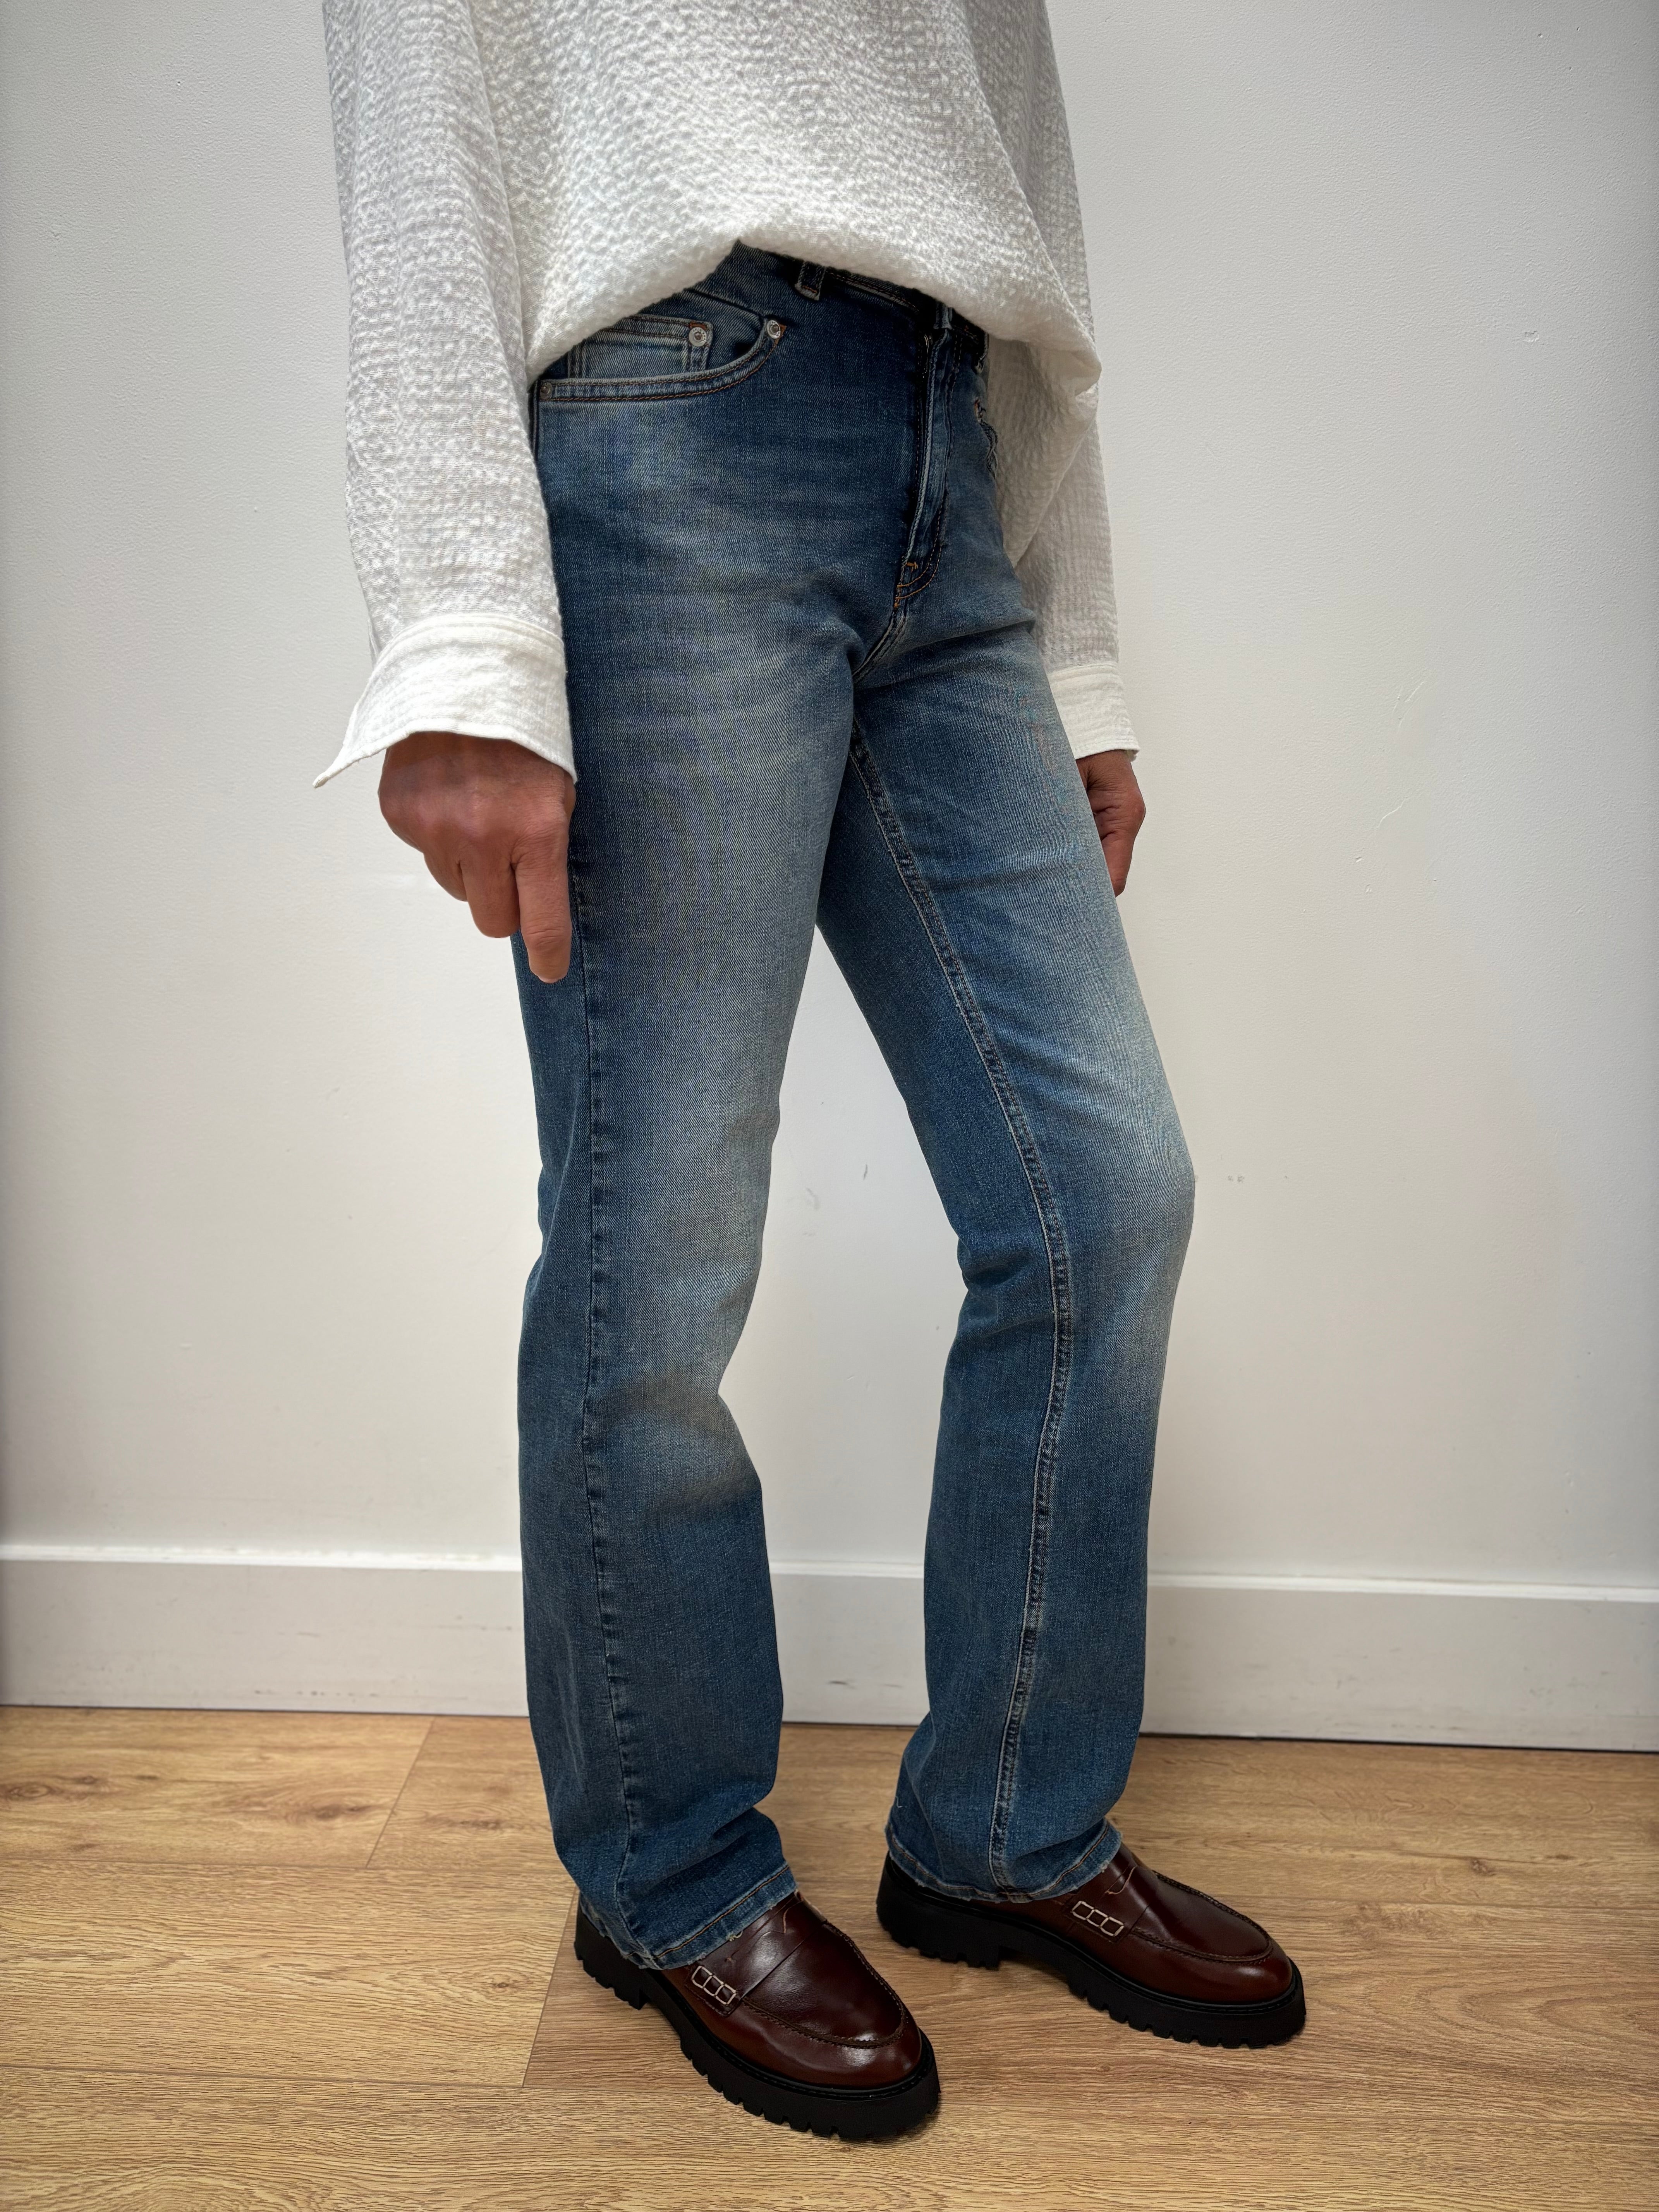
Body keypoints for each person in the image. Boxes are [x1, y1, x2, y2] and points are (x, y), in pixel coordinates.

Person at [320, 0, 1304, 2138]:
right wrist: (461, 634)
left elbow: (1008, 167)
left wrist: (1077, 646)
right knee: (659, 1240)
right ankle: (670, 1872)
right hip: (666, 436)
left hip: (955, 450)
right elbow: (420, 96)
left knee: (1104, 1194)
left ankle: (1006, 1835)